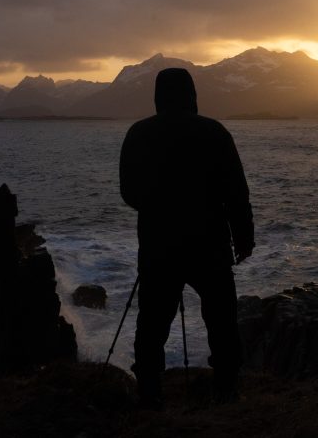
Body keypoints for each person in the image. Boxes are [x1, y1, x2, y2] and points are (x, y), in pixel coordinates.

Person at [119, 67, 254, 408]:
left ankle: (149, 392)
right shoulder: (215, 133)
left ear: (157, 95)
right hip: (210, 245)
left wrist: (158, 206)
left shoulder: (139, 134)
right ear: (192, 94)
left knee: (151, 324)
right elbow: (236, 193)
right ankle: (226, 387)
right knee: (222, 320)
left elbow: (129, 193)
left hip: (158, 246)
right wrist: (244, 239)